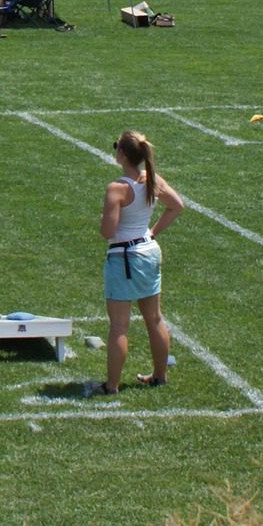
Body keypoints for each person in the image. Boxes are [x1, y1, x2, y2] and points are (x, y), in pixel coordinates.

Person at [92, 130, 183, 396]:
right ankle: (159, 376)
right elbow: (177, 205)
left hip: (124, 258)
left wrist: (104, 217)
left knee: (119, 326)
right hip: (148, 251)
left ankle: (112, 385)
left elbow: (107, 232)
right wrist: (152, 231)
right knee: (154, 319)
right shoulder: (151, 179)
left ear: (121, 154)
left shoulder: (117, 188)